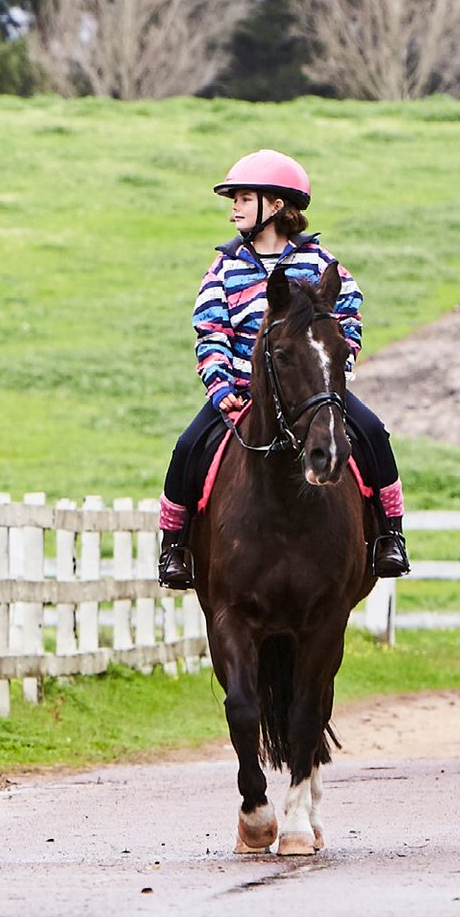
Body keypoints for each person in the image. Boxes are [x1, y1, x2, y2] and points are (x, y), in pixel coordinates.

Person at [157, 149, 410, 590]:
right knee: (187, 447)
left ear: (275, 205)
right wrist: (220, 387)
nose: (233, 206)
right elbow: (210, 330)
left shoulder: (319, 264)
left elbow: (347, 316)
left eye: (243, 197)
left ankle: (390, 536)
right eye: (233, 198)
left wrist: (335, 371)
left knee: (373, 433)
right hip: (241, 396)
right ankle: (174, 547)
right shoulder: (224, 268)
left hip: (313, 391)